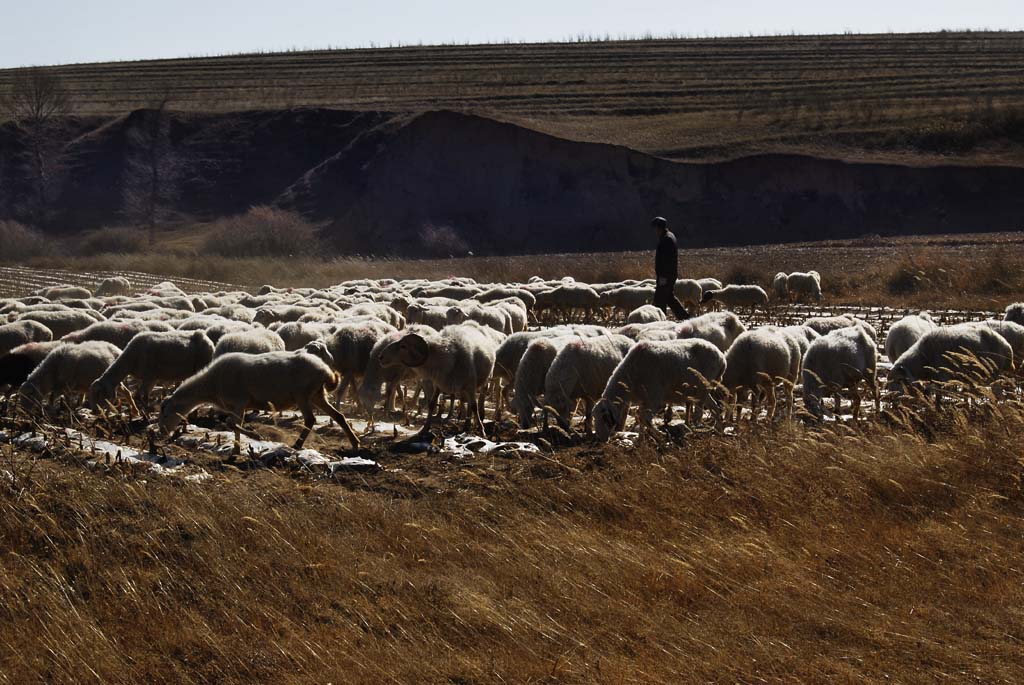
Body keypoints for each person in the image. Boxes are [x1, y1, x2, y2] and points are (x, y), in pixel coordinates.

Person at [651, 216, 690, 320]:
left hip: (666, 276)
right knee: (669, 298)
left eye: (656, 228)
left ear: (659, 228)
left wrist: (663, 277)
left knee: (660, 300)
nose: (655, 231)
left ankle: (661, 322)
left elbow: (666, 260)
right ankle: (685, 317)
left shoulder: (666, 239)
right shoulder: (669, 236)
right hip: (669, 275)